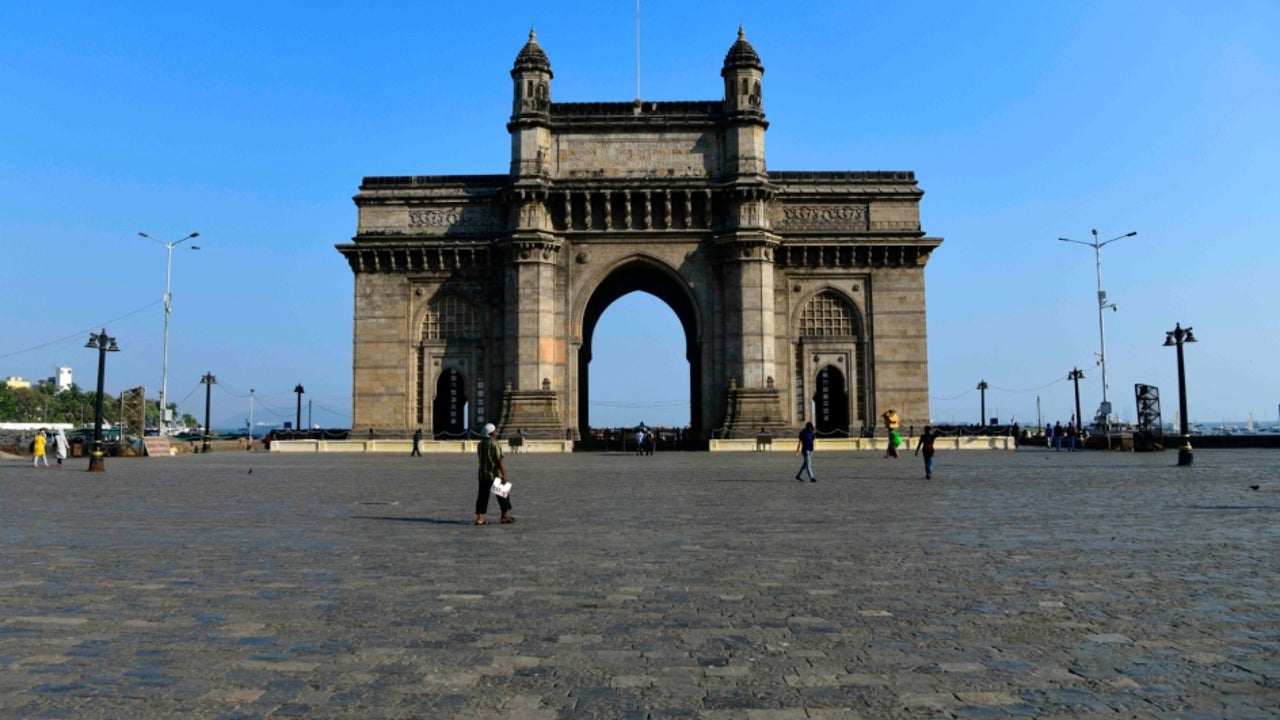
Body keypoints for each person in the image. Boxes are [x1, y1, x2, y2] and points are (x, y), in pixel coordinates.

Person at [475, 423, 514, 525]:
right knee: (503, 495)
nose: (496, 432)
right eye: (495, 431)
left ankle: (480, 518)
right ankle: (504, 516)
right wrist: (504, 474)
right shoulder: (494, 443)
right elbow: (499, 460)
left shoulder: (480, 444)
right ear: (491, 433)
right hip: (494, 474)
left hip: (483, 474)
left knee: (482, 496)